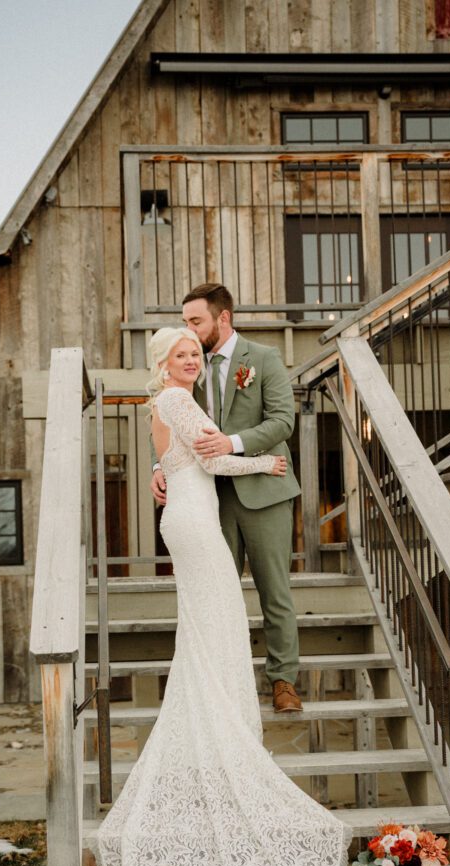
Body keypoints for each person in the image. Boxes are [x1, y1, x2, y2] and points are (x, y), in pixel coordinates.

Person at [88, 326, 350, 866]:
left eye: (196, 354)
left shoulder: (171, 402)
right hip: (197, 523)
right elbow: (208, 458)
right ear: (163, 362)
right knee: (218, 628)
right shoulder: (175, 398)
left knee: (214, 632)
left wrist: (169, 468)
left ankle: (224, 731)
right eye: (182, 354)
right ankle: (225, 741)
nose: (192, 361)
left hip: (189, 514)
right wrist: (264, 462)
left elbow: (179, 459)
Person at [151, 283, 303, 713]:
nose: (190, 332)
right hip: (210, 496)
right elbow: (173, 424)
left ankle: (283, 680)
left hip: (264, 491)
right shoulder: (188, 366)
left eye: (196, 321)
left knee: (275, 590)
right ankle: (222, 684)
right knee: (219, 593)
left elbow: (282, 422)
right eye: (185, 323)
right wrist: (159, 467)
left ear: (223, 318)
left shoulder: (264, 358)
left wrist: (232, 443)